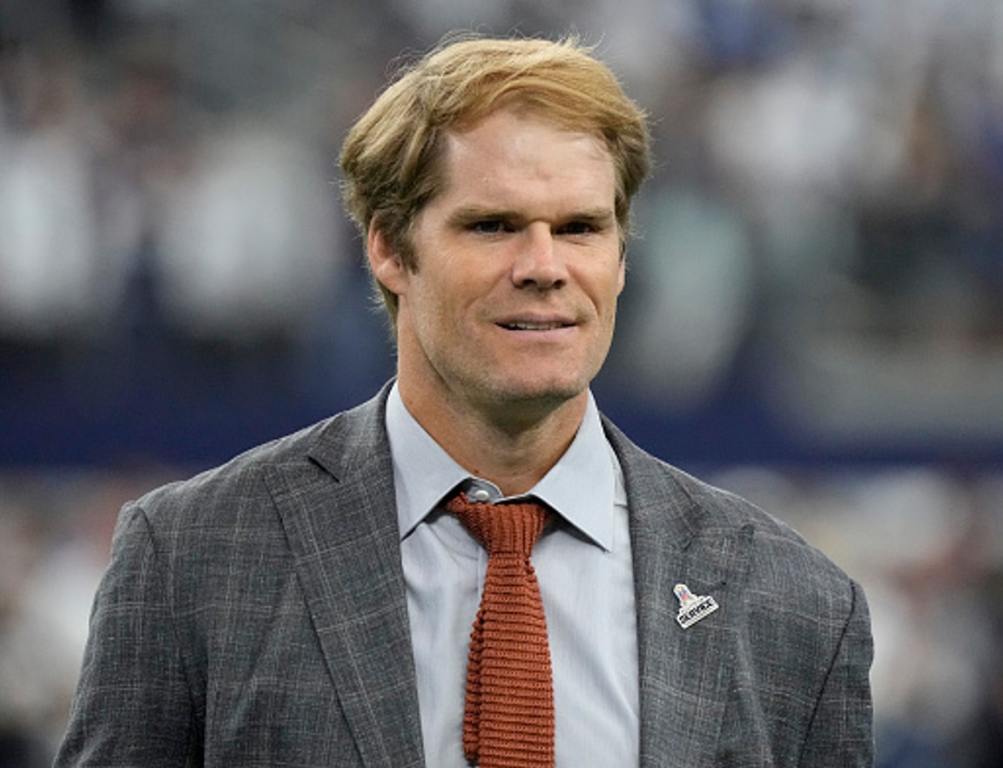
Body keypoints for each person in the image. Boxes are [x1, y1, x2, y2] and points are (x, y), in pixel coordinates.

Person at [55, 36, 873, 768]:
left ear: (622, 257)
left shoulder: (794, 602)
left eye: (582, 227)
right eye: (492, 225)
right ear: (388, 247)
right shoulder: (192, 558)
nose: (544, 265)